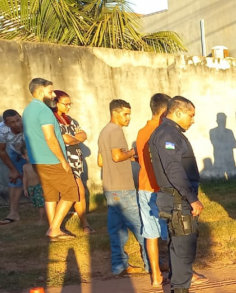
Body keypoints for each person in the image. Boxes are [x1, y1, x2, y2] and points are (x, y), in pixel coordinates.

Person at [149, 96, 207, 293]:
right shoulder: (167, 135)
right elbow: (174, 170)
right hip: (179, 200)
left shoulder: (170, 133)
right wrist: (191, 198)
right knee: (183, 250)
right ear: (179, 112)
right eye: (191, 115)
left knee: (178, 248)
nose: (193, 120)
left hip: (178, 199)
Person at [97, 99, 151, 276]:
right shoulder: (116, 131)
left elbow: (100, 161)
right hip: (123, 188)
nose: (128, 118)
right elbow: (117, 157)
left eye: (129, 114)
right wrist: (134, 151)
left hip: (110, 188)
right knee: (141, 226)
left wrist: (127, 156)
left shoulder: (104, 132)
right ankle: (153, 264)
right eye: (125, 114)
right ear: (115, 113)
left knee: (117, 230)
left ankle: (119, 266)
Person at [22, 78, 78, 241]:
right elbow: (50, 137)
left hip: (37, 160)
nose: (53, 95)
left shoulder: (28, 110)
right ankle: (54, 229)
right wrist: (62, 159)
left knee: (50, 194)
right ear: (40, 92)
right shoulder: (44, 111)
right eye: (50, 91)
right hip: (51, 159)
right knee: (70, 191)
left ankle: (54, 228)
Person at [136, 93, 172, 288]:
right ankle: (178, 272)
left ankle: (156, 276)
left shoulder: (142, 131)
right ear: (165, 111)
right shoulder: (161, 132)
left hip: (144, 187)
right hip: (160, 189)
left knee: (150, 233)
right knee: (173, 232)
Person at [52, 90, 94, 234]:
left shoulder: (70, 119)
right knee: (77, 191)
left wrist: (74, 138)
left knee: (79, 192)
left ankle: (83, 224)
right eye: (66, 104)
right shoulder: (52, 120)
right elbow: (66, 139)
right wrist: (75, 138)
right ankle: (58, 227)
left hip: (76, 162)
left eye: (70, 104)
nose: (69, 107)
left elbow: (83, 135)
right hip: (63, 161)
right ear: (56, 103)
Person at [0, 110, 26, 225]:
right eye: (12, 122)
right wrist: (13, 170)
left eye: (18, 120)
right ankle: (13, 213)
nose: (17, 124)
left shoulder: (29, 123)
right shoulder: (2, 130)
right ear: (6, 124)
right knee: (14, 179)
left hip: (31, 148)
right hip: (15, 150)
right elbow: (1, 150)